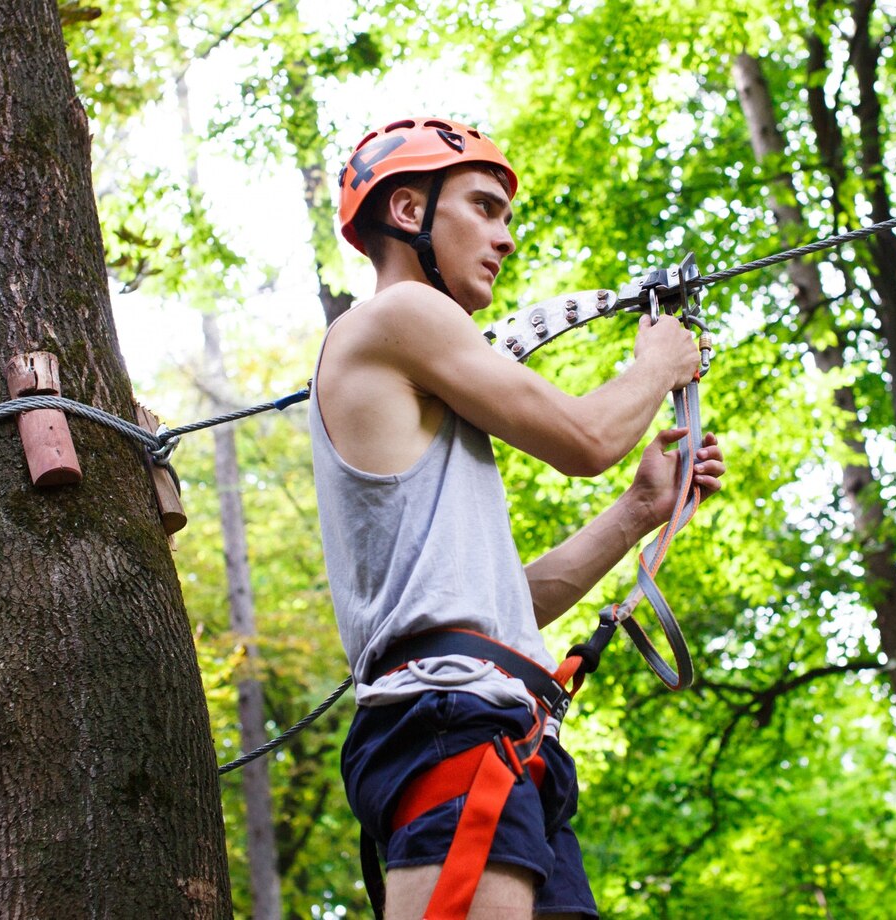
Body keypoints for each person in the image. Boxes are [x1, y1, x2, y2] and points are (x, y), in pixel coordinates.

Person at [311, 116, 725, 920]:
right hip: (447, 725)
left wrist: (639, 511)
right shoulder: (401, 316)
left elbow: (508, 606)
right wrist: (656, 364)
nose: (504, 238)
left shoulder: (430, 398)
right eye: (485, 207)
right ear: (406, 213)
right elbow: (585, 438)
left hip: (497, 730)